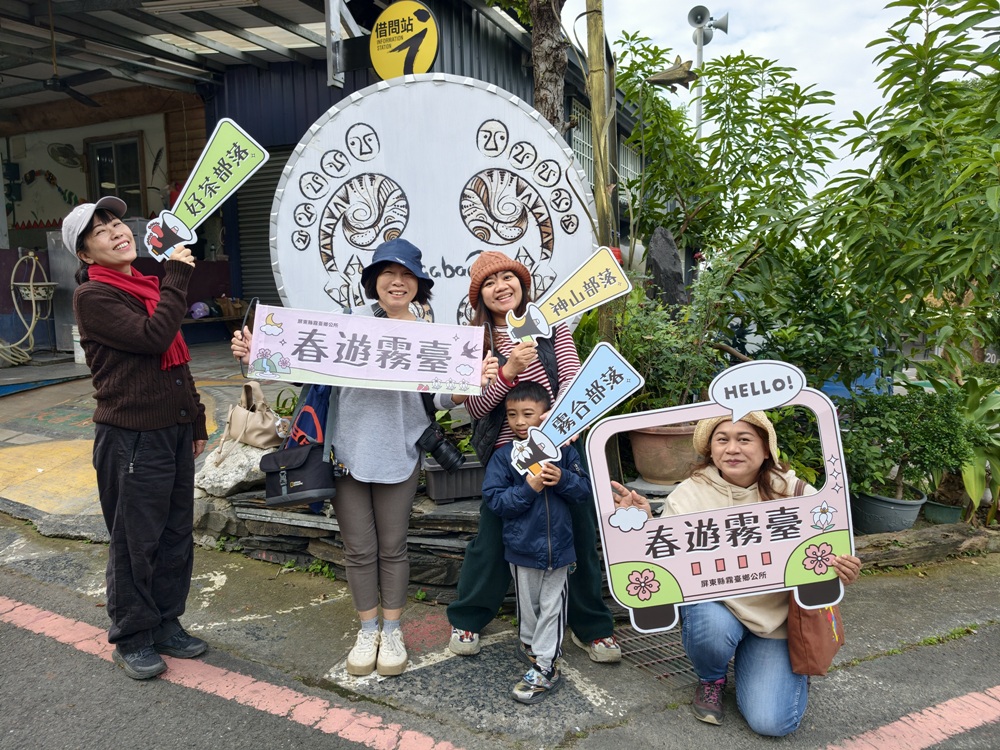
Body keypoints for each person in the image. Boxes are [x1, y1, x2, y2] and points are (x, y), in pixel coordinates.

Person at [231, 238, 494, 678]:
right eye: (388, 274)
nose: (398, 282)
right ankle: (367, 627)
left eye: (407, 275)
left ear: (418, 285)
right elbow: (294, 365)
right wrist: (256, 352)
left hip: (400, 453)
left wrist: (474, 379)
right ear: (374, 282)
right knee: (358, 550)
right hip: (347, 455)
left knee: (392, 549)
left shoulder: (436, 338)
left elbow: (448, 398)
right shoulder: (347, 326)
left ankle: (392, 630)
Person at [612, 411, 862, 737]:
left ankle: (775, 665)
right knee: (710, 625)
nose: (732, 449)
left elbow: (829, 549)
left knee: (773, 723)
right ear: (710, 449)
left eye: (744, 439)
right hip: (719, 610)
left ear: (766, 448)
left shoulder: (798, 492)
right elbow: (666, 570)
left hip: (777, 621)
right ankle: (712, 677)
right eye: (722, 440)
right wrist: (643, 528)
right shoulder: (688, 495)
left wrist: (843, 567)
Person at [446, 251, 621, 663]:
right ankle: (469, 617)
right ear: (479, 296)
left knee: (578, 537)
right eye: (489, 283)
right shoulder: (477, 342)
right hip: (506, 455)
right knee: (490, 539)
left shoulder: (551, 326)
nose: (501, 286)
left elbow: (574, 381)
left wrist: (559, 424)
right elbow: (473, 408)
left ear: (523, 284)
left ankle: (592, 627)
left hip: (559, 447)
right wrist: (507, 371)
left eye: (509, 277)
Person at [65, 196, 209, 680]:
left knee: (174, 534)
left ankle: (167, 622)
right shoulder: (95, 297)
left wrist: (195, 419)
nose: (116, 231)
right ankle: (132, 636)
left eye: (116, 222)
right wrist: (178, 276)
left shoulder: (144, 285)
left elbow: (174, 359)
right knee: (134, 541)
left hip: (170, 431)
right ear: (86, 254)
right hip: (130, 437)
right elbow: (152, 337)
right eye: (101, 230)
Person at [483, 381, 592, 703]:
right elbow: (496, 501)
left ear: (546, 415)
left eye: (527, 414)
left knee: (551, 607)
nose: (519, 421)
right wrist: (529, 487)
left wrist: (564, 478)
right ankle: (531, 645)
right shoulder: (504, 457)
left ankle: (546, 665)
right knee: (528, 606)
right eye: (512, 414)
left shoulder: (566, 452)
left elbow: (584, 492)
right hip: (521, 548)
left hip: (559, 550)